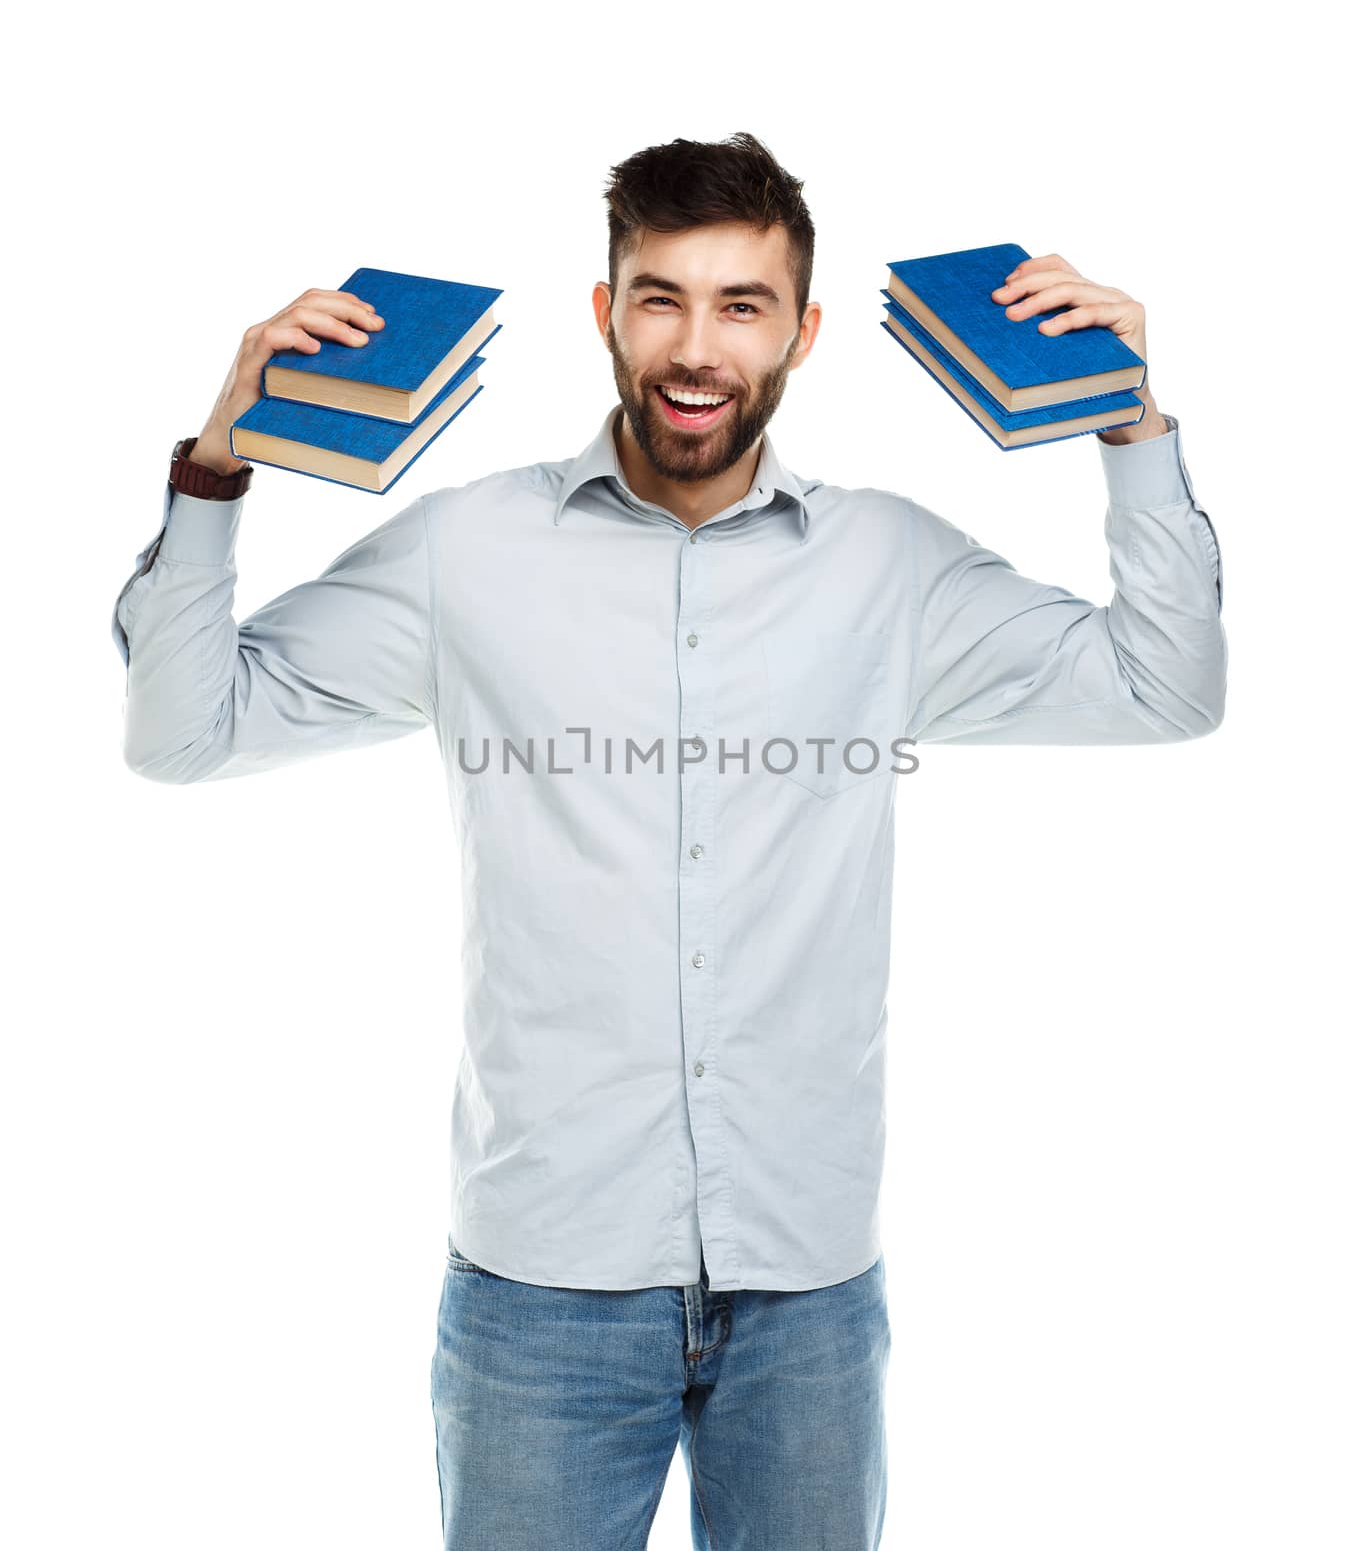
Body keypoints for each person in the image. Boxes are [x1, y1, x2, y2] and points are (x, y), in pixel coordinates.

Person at [111, 131, 1227, 1550]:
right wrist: (215, 468)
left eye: (740, 304)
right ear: (605, 312)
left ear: (801, 334)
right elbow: (183, 730)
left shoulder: (889, 566)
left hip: (808, 1288)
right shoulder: (468, 553)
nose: (695, 347)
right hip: (541, 1288)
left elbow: (1164, 689)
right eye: (660, 298)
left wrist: (1131, 428)